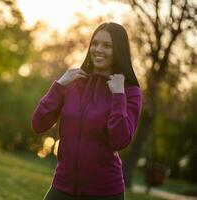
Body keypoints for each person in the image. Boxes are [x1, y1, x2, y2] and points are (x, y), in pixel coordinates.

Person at [31, 22, 143, 200]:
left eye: (107, 45)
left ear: (119, 51)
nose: (98, 49)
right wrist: (58, 86)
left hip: (105, 192)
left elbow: (119, 140)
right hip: (62, 186)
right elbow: (38, 123)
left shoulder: (129, 91)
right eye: (95, 43)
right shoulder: (73, 82)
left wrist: (118, 96)